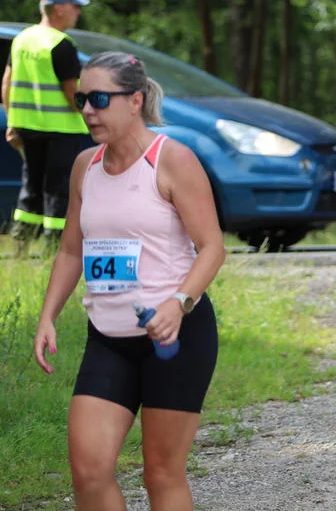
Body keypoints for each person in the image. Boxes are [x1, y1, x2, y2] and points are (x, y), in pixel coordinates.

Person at [32, 51, 225, 511]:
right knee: (89, 471)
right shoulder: (86, 166)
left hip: (175, 338)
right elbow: (72, 250)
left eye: (99, 99)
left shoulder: (172, 160)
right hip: (109, 338)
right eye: (81, 99)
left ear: (135, 100)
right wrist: (47, 316)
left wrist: (178, 304)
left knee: (161, 473)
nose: (87, 110)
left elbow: (213, 247)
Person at [1, 0, 90, 247]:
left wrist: (13, 123)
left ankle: (21, 241)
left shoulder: (22, 40)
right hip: (61, 128)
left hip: (28, 127)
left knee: (32, 184)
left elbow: (6, 82)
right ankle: (55, 244)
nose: (78, 13)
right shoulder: (61, 44)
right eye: (75, 7)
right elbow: (70, 90)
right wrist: (92, 109)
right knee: (59, 186)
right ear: (58, 9)